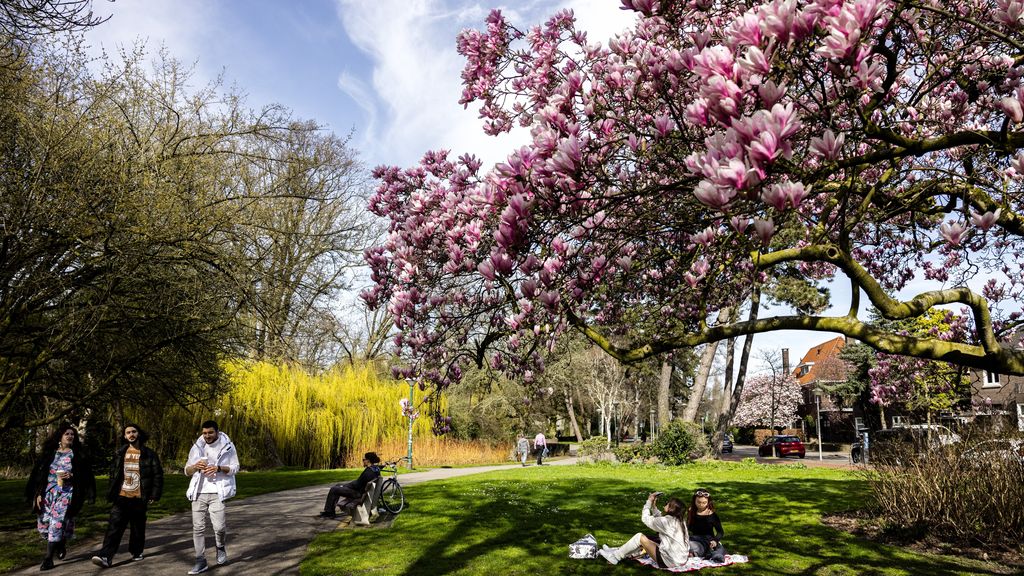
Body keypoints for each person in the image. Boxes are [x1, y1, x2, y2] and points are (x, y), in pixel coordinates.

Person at [91, 424, 164, 568]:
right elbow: (114, 474)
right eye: (128, 432)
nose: (131, 434)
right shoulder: (120, 453)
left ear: (139, 434)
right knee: (114, 527)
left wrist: (154, 494)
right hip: (122, 496)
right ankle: (105, 556)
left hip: (139, 497)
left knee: (137, 527)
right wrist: (112, 491)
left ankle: (136, 552)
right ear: (125, 436)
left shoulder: (149, 454)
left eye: (134, 431)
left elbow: (158, 475)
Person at [25, 424, 96, 571]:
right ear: (60, 437)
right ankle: (61, 542)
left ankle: (48, 558)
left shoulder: (77, 454)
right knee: (43, 526)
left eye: (72, 434)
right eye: (67, 434)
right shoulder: (50, 454)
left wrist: (72, 475)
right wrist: (38, 494)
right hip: (48, 493)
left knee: (56, 524)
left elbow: (86, 475)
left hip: (66, 493)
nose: (70, 436)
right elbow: (39, 475)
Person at [184, 420, 239, 575]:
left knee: (219, 528)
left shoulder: (228, 446)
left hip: (217, 492)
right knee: (198, 528)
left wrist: (219, 468)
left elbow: (236, 468)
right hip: (198, 492)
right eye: (204, 433)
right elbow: (186, 471)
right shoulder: (197, 447)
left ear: (217, 432)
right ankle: (200, 560)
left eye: (210, 432)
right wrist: (195, 467)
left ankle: (220, 547)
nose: (207, 436)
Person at [598, 492, 690, 569]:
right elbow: (661, 520)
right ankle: (615, 551)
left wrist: (649, 502)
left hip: (669, 562)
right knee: (647, 542)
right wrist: (654, 506)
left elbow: (645, 519)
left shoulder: (666, 521)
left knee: (639, 537)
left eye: (667, 503)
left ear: (671, 508)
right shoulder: (680, 521)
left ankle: (614, 557)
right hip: (680, 560)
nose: (665, 504)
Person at [318, 452, 381, 518]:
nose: (363, 461)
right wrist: (345, 485)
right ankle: (330, 511)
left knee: (334, 489)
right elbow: (359, 482)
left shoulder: (368, 472)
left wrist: (346, 486)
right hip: (364, 492)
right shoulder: (375, 469)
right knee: (338, 485)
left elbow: (357, 485)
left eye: (363, 459)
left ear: (368, 460)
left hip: (359, 494)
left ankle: (329, 512)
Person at [687, 488, 726, 563]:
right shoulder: (692, 512)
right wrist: (690, 515)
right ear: (694, 501)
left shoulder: (712, 515)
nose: (701, 505)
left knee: (691, 546)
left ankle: (709, 553)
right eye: (698, 502)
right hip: (694, 539)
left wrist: (715, 540)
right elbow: (689, 528)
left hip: (707, 541)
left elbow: (720, 532)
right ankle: (695, 554)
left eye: (704, 503)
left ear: (708, 502)